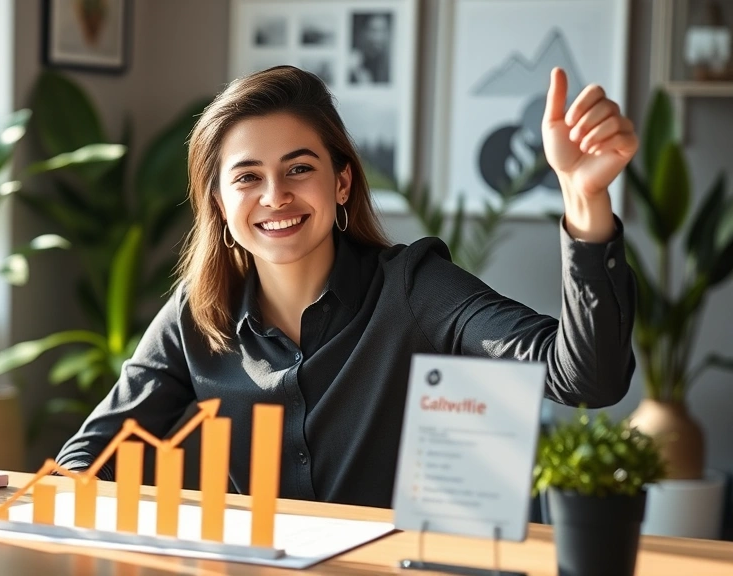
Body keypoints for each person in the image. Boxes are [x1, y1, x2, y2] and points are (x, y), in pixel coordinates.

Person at [55, 65, 637, 508]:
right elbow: (90, 458)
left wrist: (585, 201)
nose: (275, 195)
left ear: (341, 182)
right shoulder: (197, 312)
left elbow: (586, 377)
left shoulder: (413, 287)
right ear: (218, 202)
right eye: (247, 177)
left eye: (299, 168)